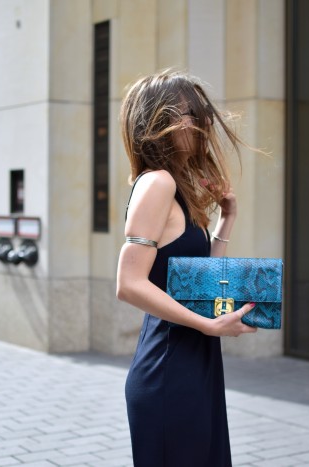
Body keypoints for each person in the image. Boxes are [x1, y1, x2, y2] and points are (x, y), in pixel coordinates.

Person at [116, 69, 257, 466]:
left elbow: (199, 281)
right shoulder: (157, 183)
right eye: (192, 114)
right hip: (169, 369)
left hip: (194, 364)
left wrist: (226, 219)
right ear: (159, 121)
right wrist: (209, 325)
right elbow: (128, 284)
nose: (205, 123)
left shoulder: (175, 186)